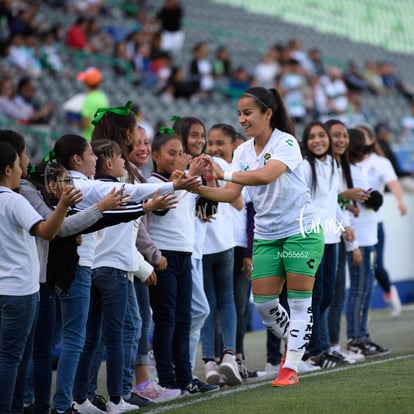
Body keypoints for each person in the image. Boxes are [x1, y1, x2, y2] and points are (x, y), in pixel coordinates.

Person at [195, 86, 325, 387]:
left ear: (268, 113)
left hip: (300, 233)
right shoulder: (241, 151)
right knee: (265, 307)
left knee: (298, 302)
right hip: (266, 236)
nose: (242, 119)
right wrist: (196, 187)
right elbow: (230, 195)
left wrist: (222, 172)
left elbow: (266, 175)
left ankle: (290, 366)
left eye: (248, 113)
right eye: (239, 113)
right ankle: (298, 341)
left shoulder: (287, 142)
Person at [0, 140, 80, 414]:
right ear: (8, 169)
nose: (24, 168)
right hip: (20, 290)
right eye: (19, 162)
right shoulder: (13, 199)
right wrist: (64, 205)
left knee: (11, 355)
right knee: (13, 357)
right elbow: (46, 230)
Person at [147, 130, 219, 395]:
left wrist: (207, 177)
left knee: (183, 319)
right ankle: (167, 380)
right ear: (156, 157)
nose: (178, 158)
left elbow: (210, 210)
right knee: (166, 320)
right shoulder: (152, 182)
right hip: (162, 256)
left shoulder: (187, 182)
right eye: (172, 154)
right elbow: (162, 207)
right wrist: (186, 175)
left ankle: (185, 377)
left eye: (181, 154)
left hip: (184, 256)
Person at [127, 126, 182, 404]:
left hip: (142, 259)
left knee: (144, 321)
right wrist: (152, 254)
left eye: (146, 142)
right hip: (136, 260)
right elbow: (140, 223)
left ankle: (142, 382)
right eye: (137, 142)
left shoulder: (137, 177)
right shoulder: (138, 179)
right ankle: (136, 385)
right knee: (141, 323)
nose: (143, 147)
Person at [300, 121, 355, 369]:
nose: (317, 141)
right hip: (312, 237)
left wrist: (345, 225)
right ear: (306, 141)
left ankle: (318, 347)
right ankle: (318, 350)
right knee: (316, 295)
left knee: (328, 295)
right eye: (311, 137)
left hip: (332, 238)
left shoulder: (333, 163)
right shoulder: (304, 167)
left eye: (321, 136)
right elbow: (303, 203)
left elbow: (332, 202)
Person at [344, 128, 391, 358]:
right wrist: (372, 198)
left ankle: (362, 335)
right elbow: (374, 199)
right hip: (359, 238)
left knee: (364, 289)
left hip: (367, 236)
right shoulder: (351, 171)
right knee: (359, 289)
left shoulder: (355, 170)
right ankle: (356, 338)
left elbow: (373, 199)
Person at [357, 124, 407, 318]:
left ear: (371, 140)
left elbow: (393, 182)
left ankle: (389, 291)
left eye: (364, 137)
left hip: (373, 223)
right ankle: (361, 309)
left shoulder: (380, 162)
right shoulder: (347, 162)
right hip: (350, 224)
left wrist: (401, 201)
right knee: (358, 268)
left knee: (374, 265)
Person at [77, 66, 109, 142]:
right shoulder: (103, 97)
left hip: (90, 140)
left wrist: (76, 122)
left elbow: (86, 124)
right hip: (101, 138)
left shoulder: (88, 99)